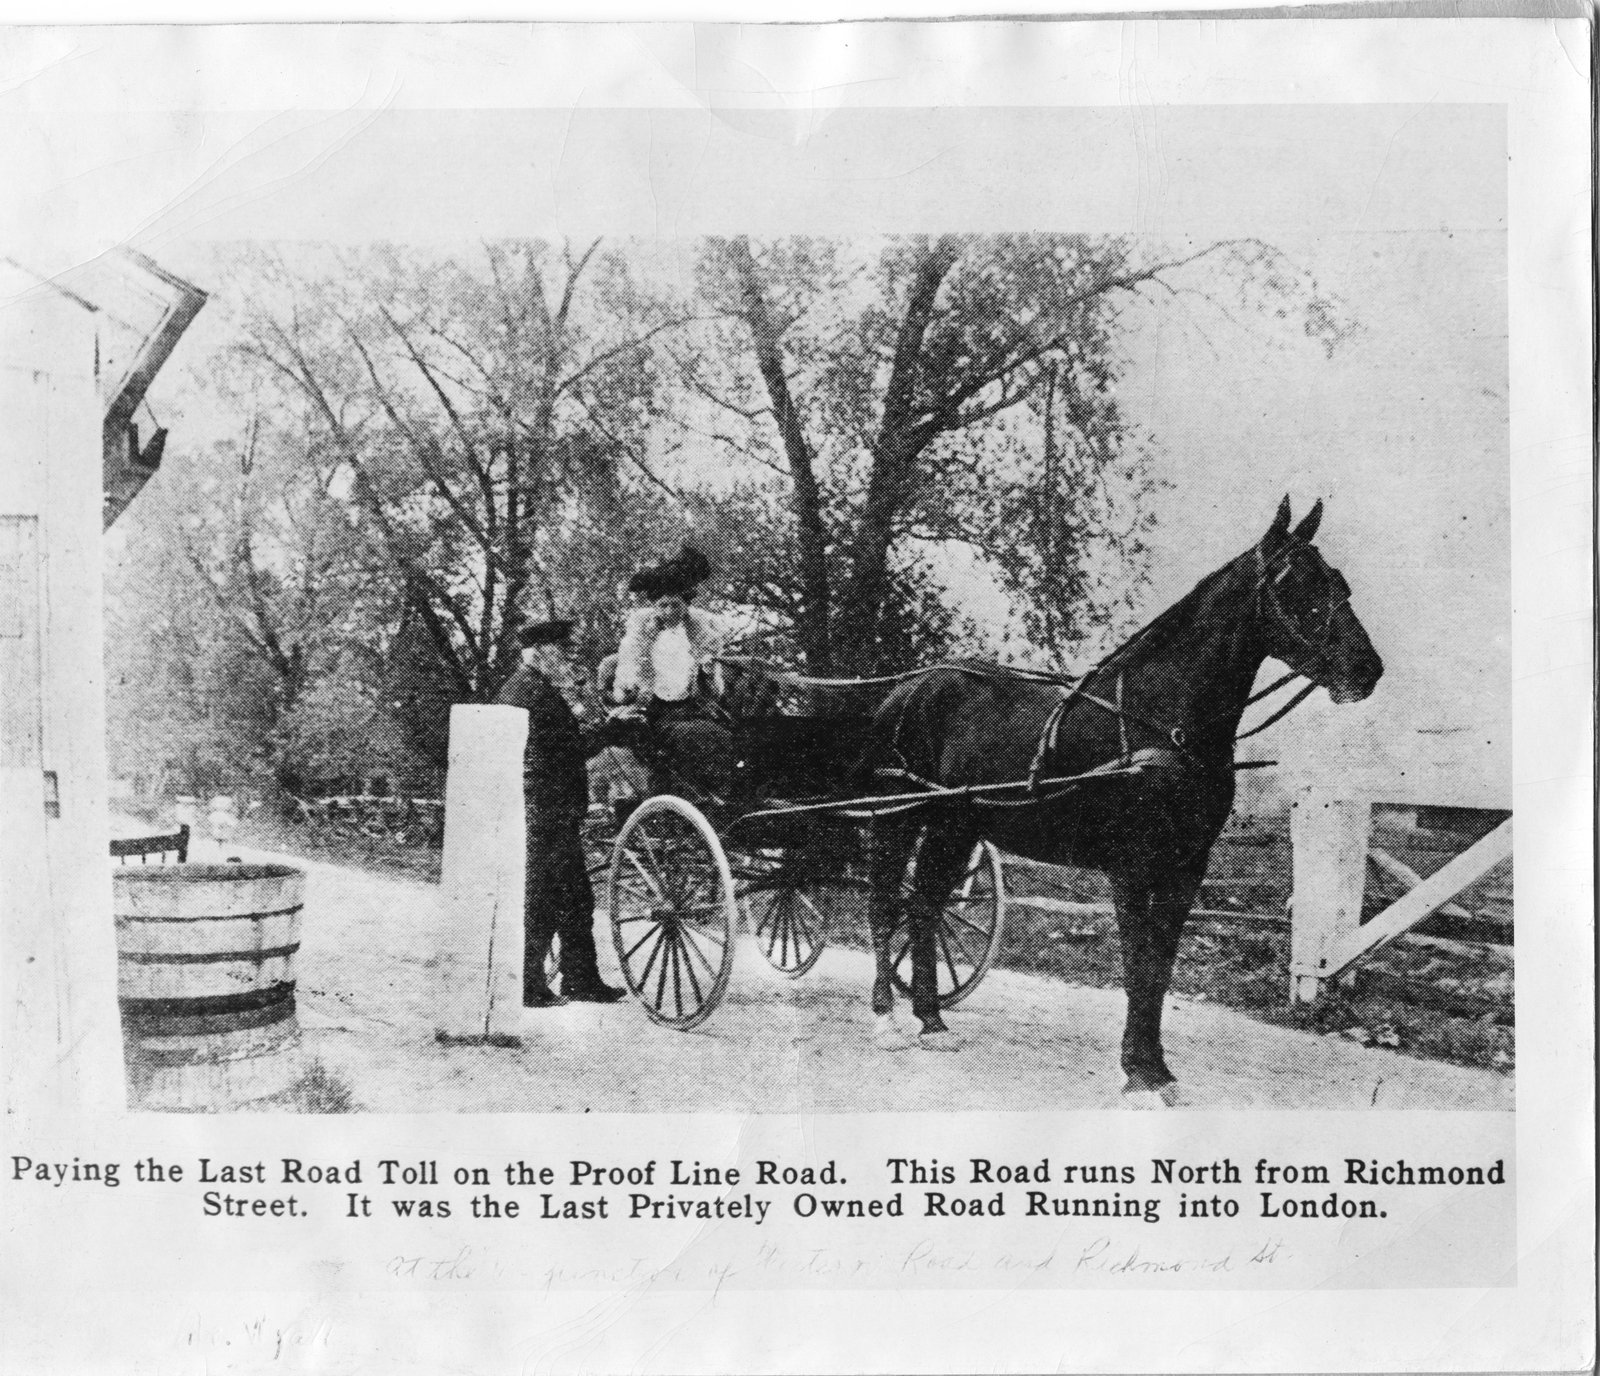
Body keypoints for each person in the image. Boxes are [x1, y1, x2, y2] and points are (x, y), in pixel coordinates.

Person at [494, 617, 624, 1008]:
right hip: (542, 810)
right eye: (558, 651)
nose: (566, 659)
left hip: (554, 808)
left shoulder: (533, 688)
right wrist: (609, 731)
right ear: (536, 654)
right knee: (543, 897)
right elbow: (565, 750)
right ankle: (529, 985)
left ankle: (580, 980)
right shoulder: (528, 692)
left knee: (574, 896)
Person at [613, 543, 732, 798]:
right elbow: (625, 682)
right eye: (663, 606)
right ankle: (689, 797)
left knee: (721, 735)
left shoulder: (702, 634)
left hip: (693, 709)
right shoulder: (638, 636)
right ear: (654, 607)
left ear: (685, 605)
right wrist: (631, 688)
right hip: (655, 714)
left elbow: (715, 693)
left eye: (675, 605)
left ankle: (717, 796)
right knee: (697, 735)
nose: (669, 612)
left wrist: (708, 672)